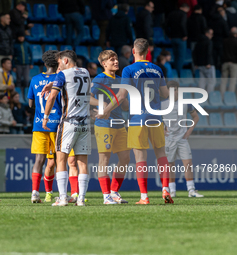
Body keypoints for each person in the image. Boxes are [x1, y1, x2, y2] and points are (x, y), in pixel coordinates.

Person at [97, 38, 173, 204]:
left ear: (133, 51)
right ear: (147, 52)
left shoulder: (129, 70)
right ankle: (166, 189)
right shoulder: (157, 69)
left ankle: (144, 196)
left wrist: (106, 110)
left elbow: (122, 94)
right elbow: (166, 94)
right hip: (156, 117)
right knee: (161, 154)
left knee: (140, 157)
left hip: (138, 118)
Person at [41, 50, 91, 206]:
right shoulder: (86, 72)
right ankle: (81, 199)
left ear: (66, 61)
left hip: (69, 122)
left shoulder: (62, 75)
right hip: (85, 123)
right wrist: (53, 82)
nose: (59, 66)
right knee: (82, 162)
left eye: (60, 62)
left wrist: (46, 117)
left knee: (61, 159)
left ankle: (63, 198)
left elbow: (52, 97)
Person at [90, 50, 130, 205]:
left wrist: (125, 101)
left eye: (116, 59)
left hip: (120, 123)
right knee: (104, 160)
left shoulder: (121, 79)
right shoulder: (100, 78)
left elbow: (125, 106)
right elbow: (88, 97)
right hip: (104, 124)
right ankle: (106, 196)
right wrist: (103, 105)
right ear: (103, 63)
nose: (115, 61)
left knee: (125, 159)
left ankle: (114, 192)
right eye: (111, 59)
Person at [27, 50, 60, 203]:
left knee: (39, 160)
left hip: (39, 125)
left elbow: (30, 103)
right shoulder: (61, 78)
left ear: (45, 64)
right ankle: (57, 192)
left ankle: (35, 192)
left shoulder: (35, 79)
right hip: (57, 125)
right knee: (57, 161)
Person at [162, 80, 204, 198]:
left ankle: (191, 190)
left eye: (176, 90)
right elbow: (154, 120)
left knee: (188, 163)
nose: (174, 92)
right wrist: (162, 131)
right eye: (172, 90)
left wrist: (189, 132)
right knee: (170, 164)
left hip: (182, 138)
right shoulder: (162, 104)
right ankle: (172, 190)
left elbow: (196, 117)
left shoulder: (186, 103)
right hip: (169, 139)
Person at [165, 3, 190, 76]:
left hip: (173, 38)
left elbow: (166, 25)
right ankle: (178, 74)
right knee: (181, 57)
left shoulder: (171, 14)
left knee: (175, 56)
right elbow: (182, 24)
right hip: (181, 39)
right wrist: (185, 35)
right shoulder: (183, 14)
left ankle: (175, 73)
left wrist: (169, 35)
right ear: (185, 8)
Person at [193, 28, 216, 93]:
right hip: (207, 65)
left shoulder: (198, 43)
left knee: (202, 81)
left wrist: (196, 63)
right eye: (211, 34)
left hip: (200, 65)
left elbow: (194, 53)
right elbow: (209, 52)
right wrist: (208, 63)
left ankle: (201, 97)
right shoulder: (209, 42)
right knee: (211, 82)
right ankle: (209, 97)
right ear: (206, 34)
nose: (212, 36)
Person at [220, 27, 237, 96]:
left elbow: (221, 52)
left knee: (223, 82)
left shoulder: (225, 41)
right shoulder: (236, 42)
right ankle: (230, 98)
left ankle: (221, 97)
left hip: (225, 63)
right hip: (234, 64)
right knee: (232, 82)